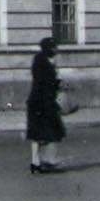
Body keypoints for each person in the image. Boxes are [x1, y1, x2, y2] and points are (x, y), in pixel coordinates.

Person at [25, 37, 66, 174]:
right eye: (54, 48)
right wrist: (57, 81)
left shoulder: (39, 60)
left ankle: (36, 162)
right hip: (43, 103)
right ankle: (47, 161)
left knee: (37, 134)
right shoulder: (45, 62)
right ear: (49, 49)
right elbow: (48, 83)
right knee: (51, 132)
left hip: (37, 102)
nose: (56, 50)